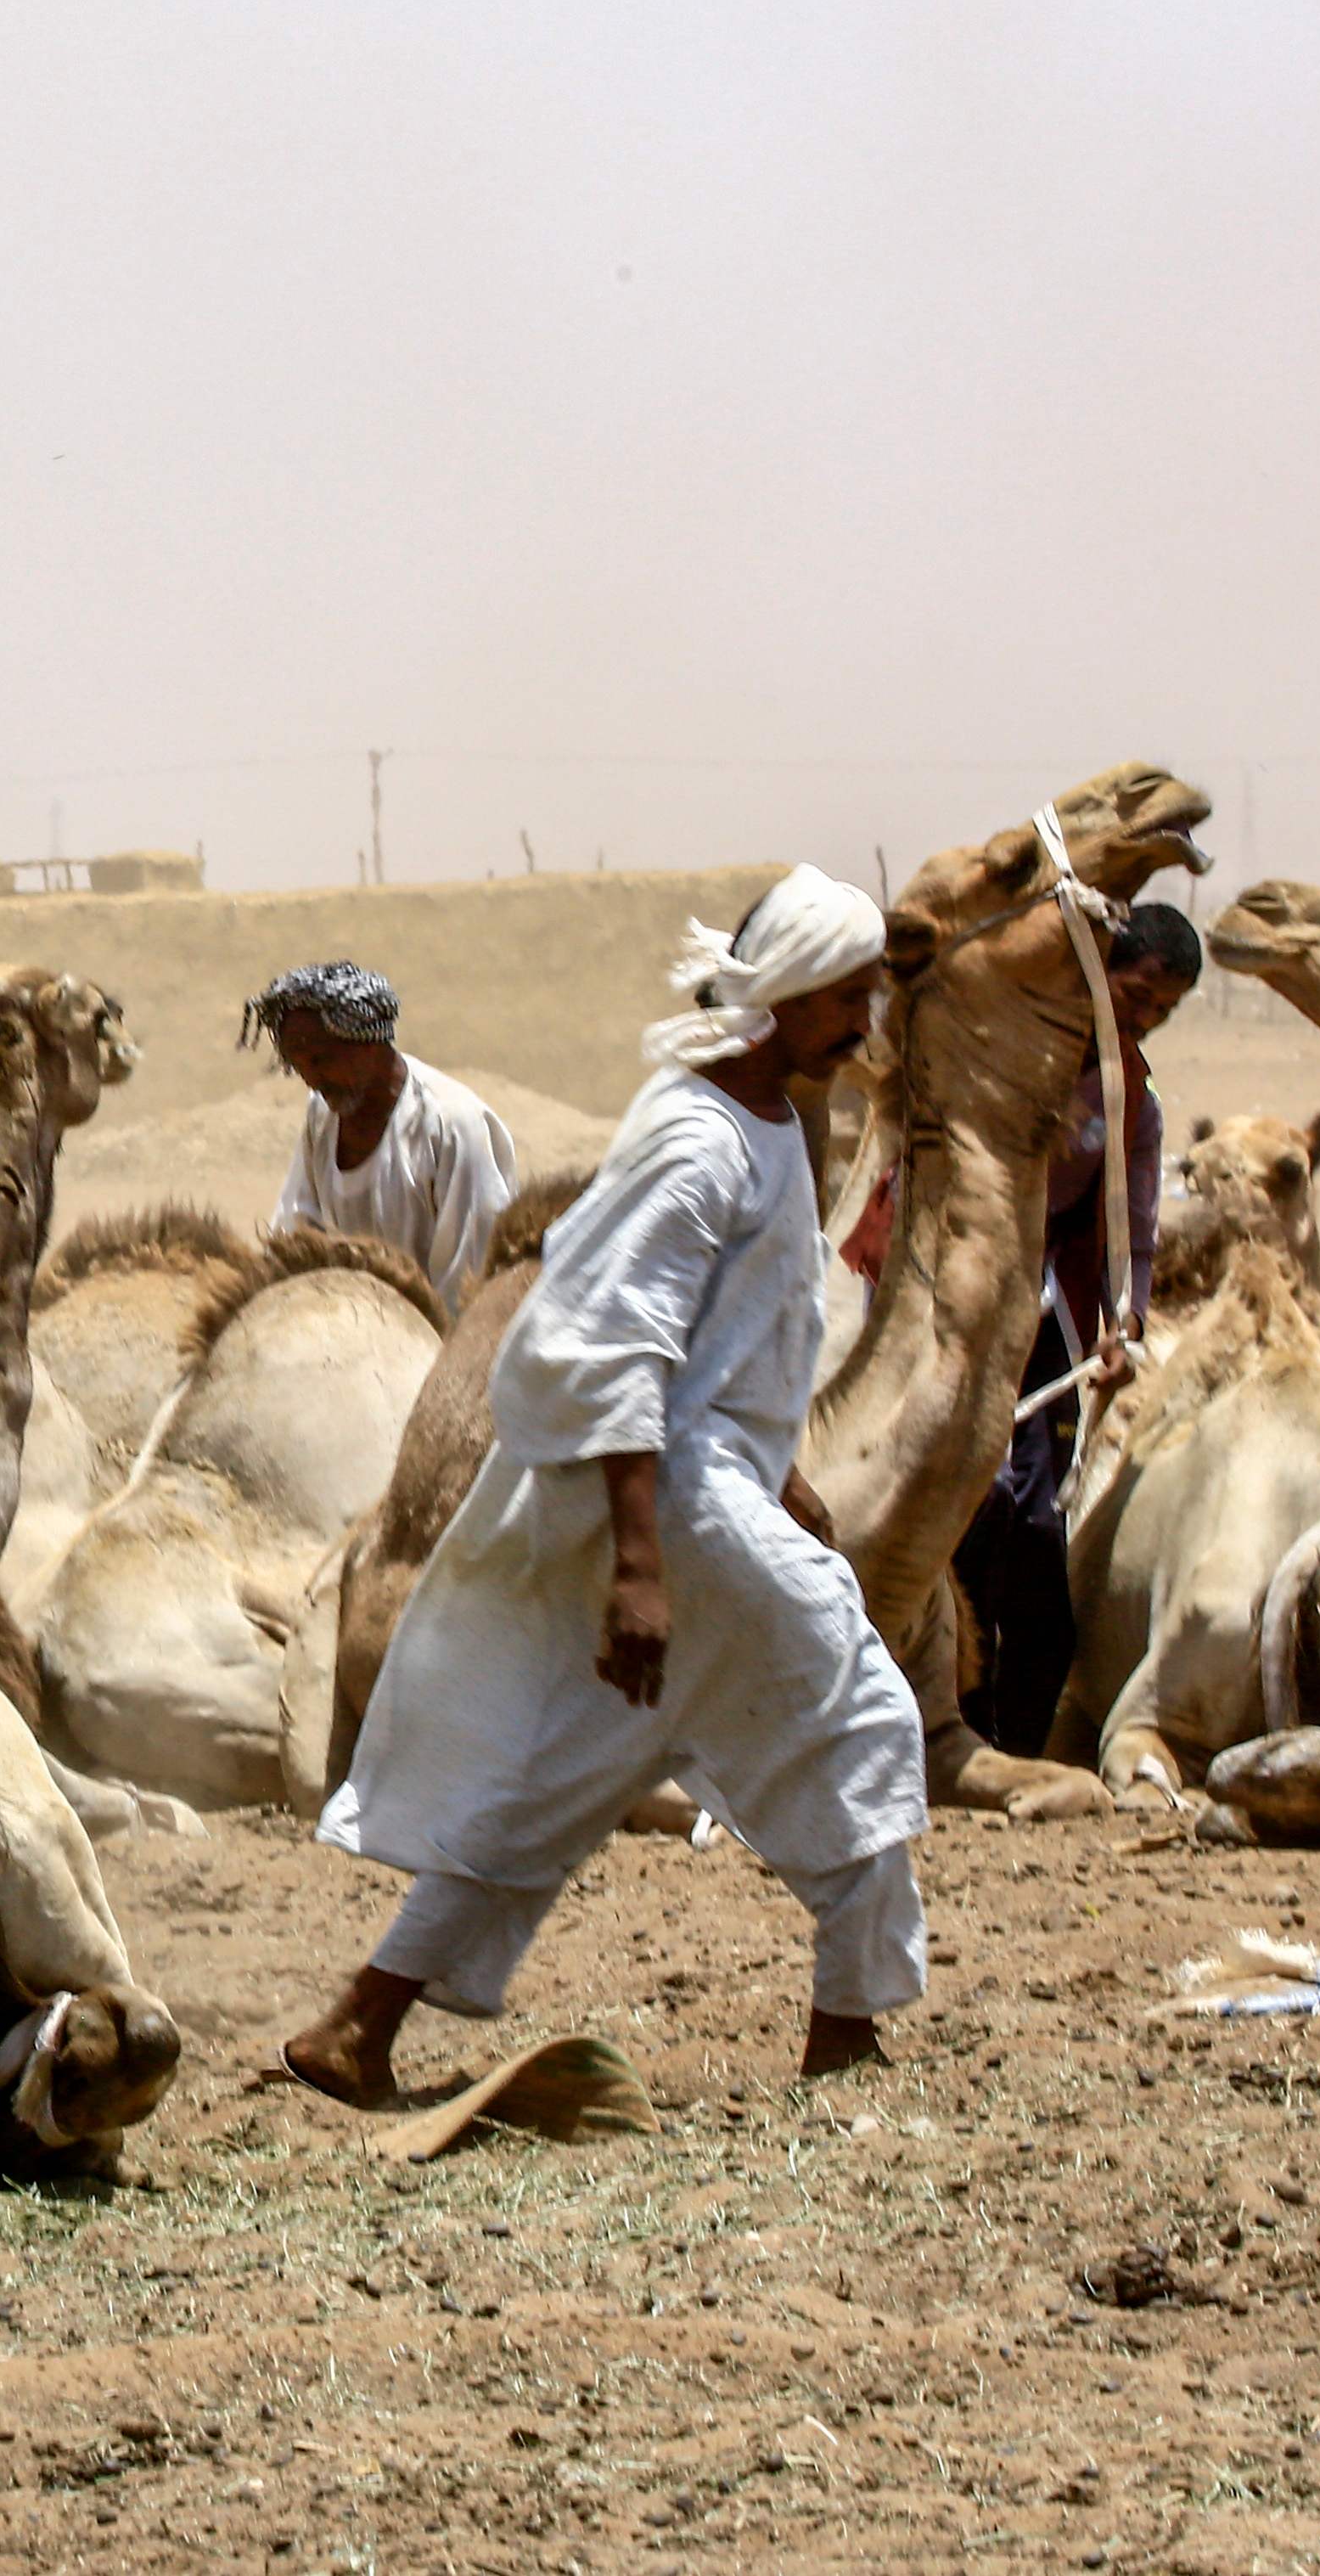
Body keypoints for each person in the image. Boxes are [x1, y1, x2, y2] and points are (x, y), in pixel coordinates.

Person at [282, 867, 919, 2106]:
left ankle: (359, 2024)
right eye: (848, 995)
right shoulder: (699, 1140)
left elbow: (718, 1341)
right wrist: (639, 1561)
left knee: (559, 1778)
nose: (865, 1020)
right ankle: (847, 2033)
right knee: (864, 1715)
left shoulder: (765, 1121)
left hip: (705, 1487)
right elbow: (621, 1342)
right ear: (787, 994)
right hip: (676, 1501)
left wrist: (777, 1471)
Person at [949, 897, 1199, 1758]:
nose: (1148, 1017)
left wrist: (1125, 1320)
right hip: (967, 1297)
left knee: (1033, 1512)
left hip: (1049, 1310)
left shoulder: (1131, 1101)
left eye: (1165, 1009)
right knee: (976, 1503)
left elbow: (1135, 1221)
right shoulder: (1010, 1056)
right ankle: (954, 1714)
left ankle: (1018, 1736)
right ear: (1101, 972)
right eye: (1139, 995)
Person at [246, 961, 521, 1311]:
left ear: (368, 1043)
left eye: (321, 1060)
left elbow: (469, 1280)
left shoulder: (453, 1126)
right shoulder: (322, 1115)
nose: (312, 1080)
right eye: (298, 1066)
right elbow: (297, 1229)